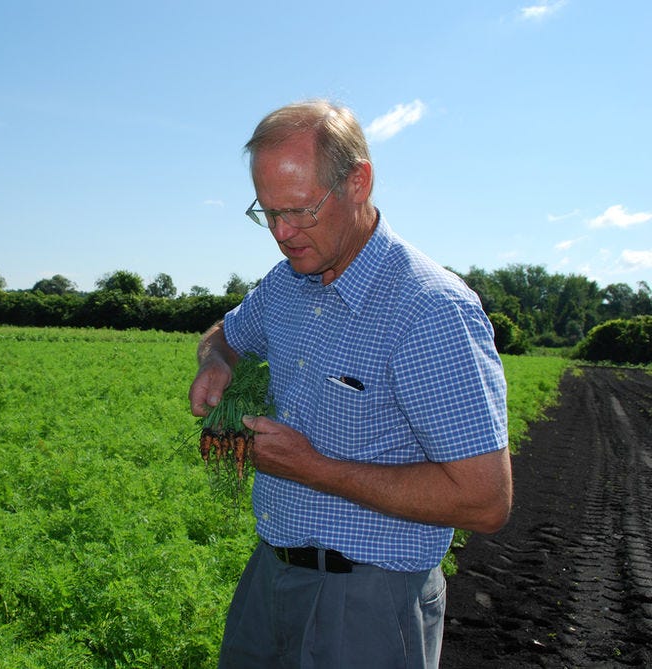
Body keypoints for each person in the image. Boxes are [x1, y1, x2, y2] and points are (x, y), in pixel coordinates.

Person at [188, 99, 512, 669]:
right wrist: (216, 361)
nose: (283, 234)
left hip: (370, 600)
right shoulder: (287, 283)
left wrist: (315, 468)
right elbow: (226, 333)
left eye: (300, 210)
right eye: (267, 213)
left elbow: (485, 501)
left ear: (358, 182)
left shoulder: (429, 310)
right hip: (270, 575)